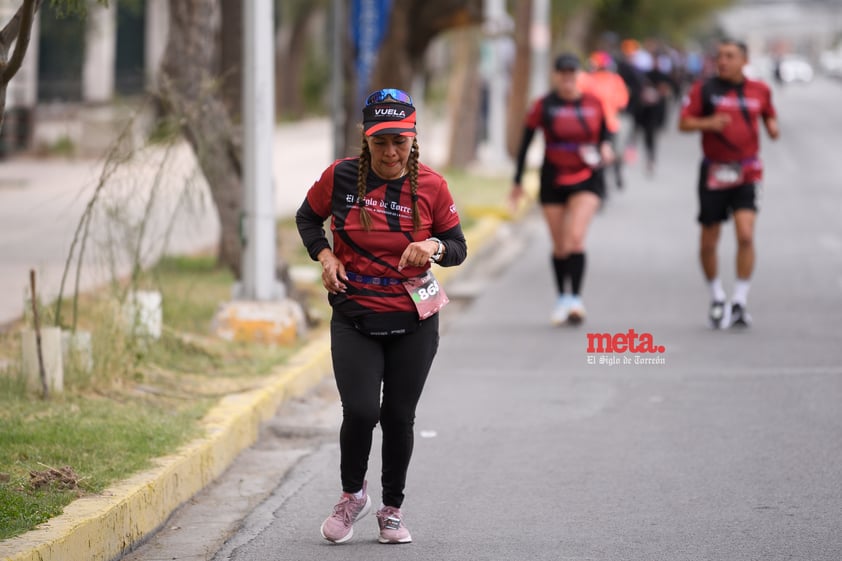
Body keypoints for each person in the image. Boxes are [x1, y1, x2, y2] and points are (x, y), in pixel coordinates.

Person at [295, 88, 467, 544]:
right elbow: (307, 219)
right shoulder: (341, 177)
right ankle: (353, 495)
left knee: (398, 416)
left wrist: (431, 245)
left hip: (414, 320)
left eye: (399, 141)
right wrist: (326, 256)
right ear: (365, 141)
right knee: (360, 411)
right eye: (380, 142)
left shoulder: (432, 185)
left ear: (413, 138)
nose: (390, 152)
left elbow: (457, 247)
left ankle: (392, 509)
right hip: (355, 315)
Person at [678, 38, 779, 329]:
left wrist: (772, 127)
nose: (723, 61)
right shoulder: (704, 89)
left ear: (744, 61)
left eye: (730, 56)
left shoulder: (760, 90)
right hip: (714, 172)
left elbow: (769, 115)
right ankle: (716, 296)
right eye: (720, 56)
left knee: (746, 235)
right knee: (709, 240)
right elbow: (683, 123)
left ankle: (740, 301)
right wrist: (707, 124)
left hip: (748, 172)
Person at [511, 53, 614, 326]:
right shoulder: (543, 105)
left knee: (575, 239)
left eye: (572, 72)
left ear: (578, 74)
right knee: (559, 245)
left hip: (587, 178)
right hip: (553, 178)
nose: (568, 78)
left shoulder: (594, 103)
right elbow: (525, 143)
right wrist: (517, 182)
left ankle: (576, 299)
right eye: (563, 72)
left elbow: (605, 135)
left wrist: (606, 147)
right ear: (556, 75)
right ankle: (562, 298)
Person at [579, 50, 629, 190]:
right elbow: (622, 102)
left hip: (600, 125)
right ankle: (611, 178)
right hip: (607, 124)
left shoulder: (587, 79)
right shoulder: (613, 80)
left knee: (601, 156)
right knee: (610, 154)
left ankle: (606, 182)